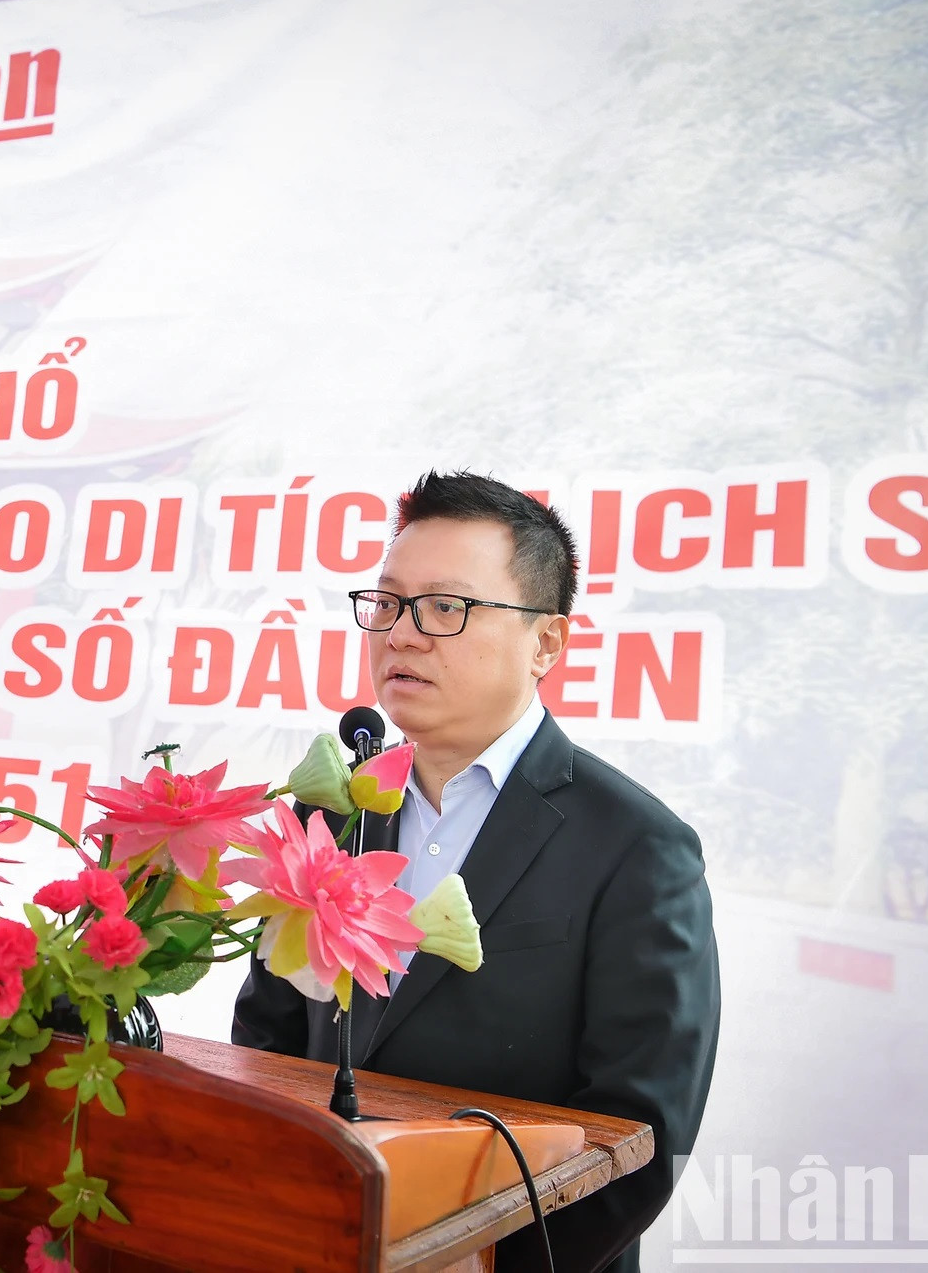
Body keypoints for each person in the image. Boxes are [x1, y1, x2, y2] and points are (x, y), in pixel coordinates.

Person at [232, 471, 721, 1273]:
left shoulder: (638, 847)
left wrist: (465, 1258)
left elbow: (643, 1130)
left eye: (446, 608)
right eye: (387, 603)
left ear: (548, 643)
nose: (403, 634)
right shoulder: (334, 812)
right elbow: (267, 1037)